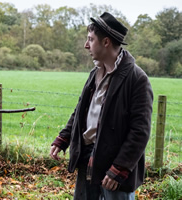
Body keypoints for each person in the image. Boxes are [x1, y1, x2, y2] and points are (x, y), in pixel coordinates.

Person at [50, 12, 153, 200]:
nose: (86, 45)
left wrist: (119, 168)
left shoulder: (137, 79)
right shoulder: (95, 73)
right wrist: (63, 138)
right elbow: (81, 111)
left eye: (90, 39)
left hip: (114, 168)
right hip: (88, 159)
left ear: (106, 42)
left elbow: (140, 131)